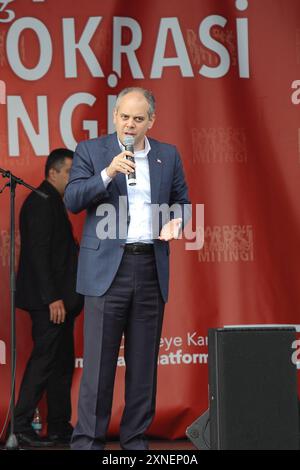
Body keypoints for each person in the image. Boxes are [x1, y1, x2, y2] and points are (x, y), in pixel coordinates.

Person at [64, 87, 190, 450]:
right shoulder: (93, 151)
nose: (130, 124)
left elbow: (182, 200)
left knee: (143, 363)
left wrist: (177, 221)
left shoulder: (168, 154)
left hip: (150, 265)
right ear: (114, 116)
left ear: (151, 120)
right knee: (99, 367)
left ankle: (135, 441)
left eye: (138, 119)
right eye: (124, 117)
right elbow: (73, 199)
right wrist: (106, 173)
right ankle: (88, 441)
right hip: (106, 271)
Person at [13, 149, 84, 447]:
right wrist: (53, 298)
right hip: (50, 303)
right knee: (44, 361)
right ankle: (20, 426)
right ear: (52, 172)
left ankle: (58, 425)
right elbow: (38, 255)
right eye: (69, 173)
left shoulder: (54, 202)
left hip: (62, 303)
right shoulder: (41, 202)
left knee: (62, 362)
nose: (72, 179)